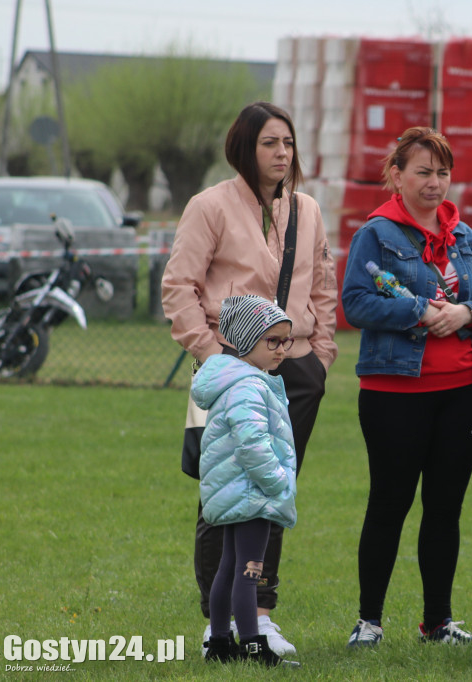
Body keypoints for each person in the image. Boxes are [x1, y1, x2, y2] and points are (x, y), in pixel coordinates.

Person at [161, 100, 338, 656]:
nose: (281, 153)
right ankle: (215, 618)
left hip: (299, 369)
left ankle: (260, 613)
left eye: (287, 143)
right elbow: (179, 287)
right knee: (224, 490)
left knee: (274, 488)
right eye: (269, 143)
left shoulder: (308, 210)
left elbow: (324, 287)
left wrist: (320, 355)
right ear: (244, 146)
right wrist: (217, 358)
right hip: (230, 369)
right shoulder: (209, 206)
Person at [340, 126, 472, 649]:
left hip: (462, 392)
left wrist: (463, 312)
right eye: (423, 172)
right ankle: (369, 621)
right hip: (394, 394)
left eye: (442, 173)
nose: (435, 183)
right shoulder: (376, 233)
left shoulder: (467, 238)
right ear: (396, 175)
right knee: (388, 504)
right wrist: (417, 311)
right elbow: (356, 303)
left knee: (444, 509)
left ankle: (439, 623)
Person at [195, 295, 299, 667]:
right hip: (253, 494)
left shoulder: (238, 381)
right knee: (249, 572)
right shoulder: (248, 387)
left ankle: (221, 643)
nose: (281, 350)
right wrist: (277, 482)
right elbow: (252, 443)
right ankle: (254, 647)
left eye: (286, 340)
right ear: (246, 341)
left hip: (236, 492)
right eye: (272, 341)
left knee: (229, 567)